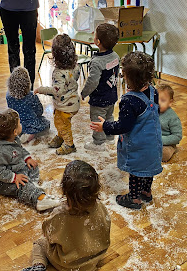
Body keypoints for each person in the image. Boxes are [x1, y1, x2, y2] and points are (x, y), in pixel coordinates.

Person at [90, 52, 162, 210]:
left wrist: (105, 126)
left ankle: (134, 199)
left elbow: (123, 126)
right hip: (153, 143)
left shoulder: (129, 101)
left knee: (136, 173)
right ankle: (146, 192)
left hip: (138, 146)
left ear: (128, 78)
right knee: (148, 169)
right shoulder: (153, 92)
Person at [22, 160, 111, 271]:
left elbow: (47, 233)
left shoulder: (60, 215)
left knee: (39, 243)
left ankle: (38, 266)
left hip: (68, 265)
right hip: (96, 257)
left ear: (65, 190)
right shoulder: (101, 207)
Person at [0, 109, 61, 211]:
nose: (21, 124)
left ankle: (32, 185)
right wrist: (14, 177)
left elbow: (20, 150)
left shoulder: (13, 139)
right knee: (22, 186)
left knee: (33, 166)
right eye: (19, 123)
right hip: (4, 182)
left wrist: (27, 159)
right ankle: (39, 200)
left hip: (17, 169)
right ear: (15, 131)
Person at [34, 34, 80, 155]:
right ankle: (61, 137)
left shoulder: (58, 73)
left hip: (65, 105)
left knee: (62, 124)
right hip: (73, 102)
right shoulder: (76, 66)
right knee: (60, 121)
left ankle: (69, 145)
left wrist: (42, 89)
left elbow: (56, 91)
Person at [81, 23, 120, 151]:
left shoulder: (97, 62)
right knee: (109, 116)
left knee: (97, 119)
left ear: (97, 41)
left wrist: (83, 93)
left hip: (99, 99)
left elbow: (92, 82)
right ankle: (109, 137)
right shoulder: (115, 56)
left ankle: (98, 143)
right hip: (112, 95)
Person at [6, 66, 50, 143]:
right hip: (32, 124)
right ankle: (31, 134)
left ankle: (19, 133)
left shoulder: (8, 96)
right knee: (46, 124)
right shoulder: (31, 96)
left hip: (17, 124)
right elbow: (39, 111)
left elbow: (10, 110)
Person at [156, 84, 183, 162]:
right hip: (152, 140)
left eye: (163, 100)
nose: (158, 103)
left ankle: (173, 150)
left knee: (164, 154)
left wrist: (160, 140)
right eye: (156, 100)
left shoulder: (173, 117)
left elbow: (177, 136)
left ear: (170, 102)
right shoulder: (152, 111)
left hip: (167, 144)